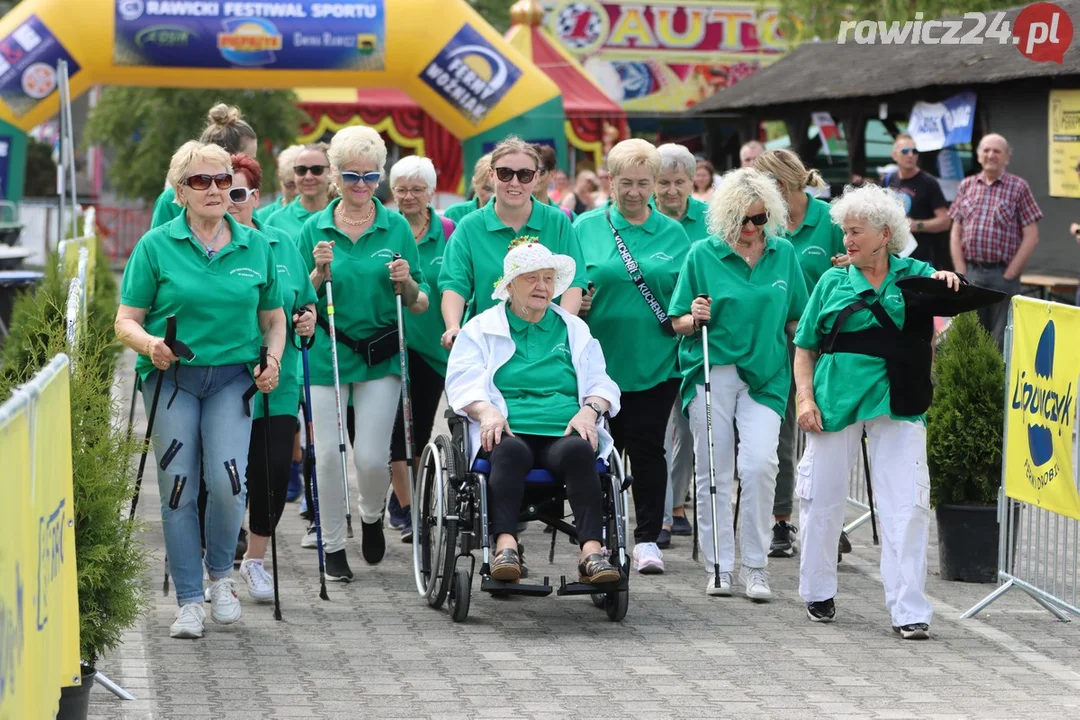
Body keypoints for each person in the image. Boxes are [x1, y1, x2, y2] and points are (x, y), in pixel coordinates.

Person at [115, 141, 286, 638]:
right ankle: (189, 600)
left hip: (233, 379)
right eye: (200, 182)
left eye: (222, 181)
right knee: (179, 488)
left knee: (229, 484)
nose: (214, 190)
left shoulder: (256, 244)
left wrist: (272, 358)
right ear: (180, 192)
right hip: (174, 379)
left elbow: (273, 319)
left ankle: (222, 580)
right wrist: (150, 345)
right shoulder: (155, 245)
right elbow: (126, 320)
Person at [793, 184, 960, 638]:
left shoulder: (915, 274)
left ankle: (909, 612)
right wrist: (804, 398)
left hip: (899, 401)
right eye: (844, 232)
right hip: (833, 402)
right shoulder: (831, 281)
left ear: (885, 234)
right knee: (821, 501)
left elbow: (951, 293)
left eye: (856, 231)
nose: (847, 240)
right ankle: (818, 590)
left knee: (906, 505)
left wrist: (948, 280)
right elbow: (804, 348)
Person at [444, 242, 623, 584]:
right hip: (510, 430)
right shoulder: (481, 329)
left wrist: (590, 410)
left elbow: (602, 380)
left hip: (564, 431)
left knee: (579, 450)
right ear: (510, 285)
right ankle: (505, 546)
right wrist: (486, 412)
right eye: (532, 279)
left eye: (548, 278)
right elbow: (462, 382)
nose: (542, 286)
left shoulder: (573, 328)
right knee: (507, 451)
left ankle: (592, 553)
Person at [669, 167, 809, 599]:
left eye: (760, 219)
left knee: (761, 465)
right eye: (743, 220)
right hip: (713, 371)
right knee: (714, 470)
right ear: (727, 217)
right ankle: (718, 565)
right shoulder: (701, 254)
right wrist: (695, 317)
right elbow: (677, 322)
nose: (751, 229)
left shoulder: (783, 254)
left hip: (766, 374)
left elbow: (796, 321)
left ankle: (756, 565)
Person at [298, 126, 430, 582]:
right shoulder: (313, 229)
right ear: (335, 176)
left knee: (373, 458)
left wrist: (405, 281)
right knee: (329, 456)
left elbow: (419, 301)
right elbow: (294, 302)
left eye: (370, 177)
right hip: (327, 353)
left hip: (380, 354)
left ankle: (372, 514)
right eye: (351, 176)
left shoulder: (395, 226)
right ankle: (333, 544)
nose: (360, 185)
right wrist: (317, 273)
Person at [573, 138, 691, 574]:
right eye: (626, 183)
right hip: (599, 364)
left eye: (644, 183)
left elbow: (681, 293)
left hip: (655, 360)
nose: (635, 192)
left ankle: (646, 539)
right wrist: (578, 303)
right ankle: (599, 538)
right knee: (598, 451)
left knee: (646, 449)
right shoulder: (585, 227)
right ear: (610, 180)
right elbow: (569, 286)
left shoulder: (672, 233)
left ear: (656, 184)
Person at [220, 153, 318, 601]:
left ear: (255, 198)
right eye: (222, 190)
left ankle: (255, 560)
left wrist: (308, 320)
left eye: (238, 193)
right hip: (220, 378)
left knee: (274, 471)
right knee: (221, 477)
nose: (230, 200)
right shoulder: (206, 246)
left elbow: (307, 300)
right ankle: (217, 563)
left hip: (278, 377)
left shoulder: (283, 243)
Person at [753, 148, 847, 559]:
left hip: (826, 345)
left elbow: (862, 267)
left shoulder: (828, 219)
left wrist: (849, 264)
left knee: (826, 431)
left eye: (766, 185)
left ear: (786, 184)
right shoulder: (762, 223)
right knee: (781, 433)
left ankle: (830, 520)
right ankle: (781, 521)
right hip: (778, 342)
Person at [440, 137, 586, 349]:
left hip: (549, 343)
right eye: (505, 173)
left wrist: (566, 328)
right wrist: (453, 326)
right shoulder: (470, 226)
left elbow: (575, 281)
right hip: (488, 342)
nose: (514, 183)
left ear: (536, 178)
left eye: (525, 175)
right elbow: (454, 283)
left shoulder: (557, 222)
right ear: (491, 175)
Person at [385, 155, 454, 542]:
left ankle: (405, 498)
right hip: (394, 346)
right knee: (398, 430)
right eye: (402, 190)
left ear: (430, 191)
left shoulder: (448, 230)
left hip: (436, 348)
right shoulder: (388, 230)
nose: (409, 197)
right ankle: (409, 509)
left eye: (417, 189)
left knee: (421, 428)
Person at [653, 143, 710, 545]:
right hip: (654, 339)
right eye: (663, 183)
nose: (671, 191)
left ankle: (675, 503)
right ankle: (662, 510)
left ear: (693, 181)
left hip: (695, 337)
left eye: (679, 182)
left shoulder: (710, 221)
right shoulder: (642, 219)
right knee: (656, 430)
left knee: (688, 428)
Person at [949, 133, 1043, 350]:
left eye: (997, 151)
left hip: (1002, 275)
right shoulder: (966, 186)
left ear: (1007, 157)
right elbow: (956, 233)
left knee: (1001, 340)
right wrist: (961, 270)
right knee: (969, 336)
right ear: (979, 155)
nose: (991, 155)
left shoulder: (1019, 187)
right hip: (971, 274)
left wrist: (1010, 273)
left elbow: (1031, 236)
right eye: (986, 150)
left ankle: (999, 384)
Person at [151, 104, 258, 228]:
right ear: (228, 157)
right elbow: (158, 243)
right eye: (250, 157)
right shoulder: (171, 199)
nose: (253, 164)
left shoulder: (244, 195)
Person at [880, 134, 952, 270]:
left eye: (915, 151)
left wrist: (917, 225)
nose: (911, 155)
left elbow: (945, 221)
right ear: (894, 155)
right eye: (905, 151)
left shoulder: (928, 182)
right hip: (892, 257)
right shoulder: (888, 180)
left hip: (920, 258)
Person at [266, 142, 333, 239]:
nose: (308, 177)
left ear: (331, 171)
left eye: (317, 170)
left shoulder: (344, 216)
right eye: (301, 170)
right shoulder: (276, 221)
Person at [253, 144, 303, 226]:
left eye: (302, 184)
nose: (297, 191)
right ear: (279, 177)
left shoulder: (323, 213)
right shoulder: (262, 218)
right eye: (290, 185)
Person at [443, 154, 494, 224]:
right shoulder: (454, 214)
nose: (493, 196)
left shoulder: (513, 217)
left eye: (499, 189)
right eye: (487, 189)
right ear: (474, 184)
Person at [532, 143, 574, 221]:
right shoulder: (510, 214)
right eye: (528, 172)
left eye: (541, 171)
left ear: (552, 174)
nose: (535, 177)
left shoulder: (565, 216)